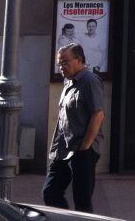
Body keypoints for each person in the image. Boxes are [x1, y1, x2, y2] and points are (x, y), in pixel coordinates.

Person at [42, 43, 105, 213]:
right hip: (62, 150)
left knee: (82, 202)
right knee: (50, 192)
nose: (61, 67)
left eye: (65, 62)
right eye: (59, 63)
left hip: (82, 150)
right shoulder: (67, 82)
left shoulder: (89, 81)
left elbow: (98, 115)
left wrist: (85, 147)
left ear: (79, 60)